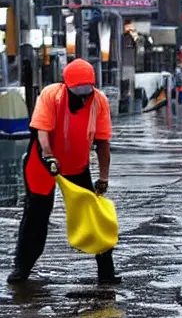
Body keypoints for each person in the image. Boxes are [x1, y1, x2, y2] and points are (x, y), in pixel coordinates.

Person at [8, 59, 121, 284]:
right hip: (42, 164)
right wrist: (49, 156)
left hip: (77, 165)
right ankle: (22, 267)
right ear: (65, 86)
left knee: (92, 213)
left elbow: (103, 143)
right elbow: (43, 133)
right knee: (36, 216)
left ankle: (106, 271)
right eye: (77, 93)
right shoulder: (51, 95)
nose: (82, 98)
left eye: (86, 92)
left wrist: (104, 177)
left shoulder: (99, 102)